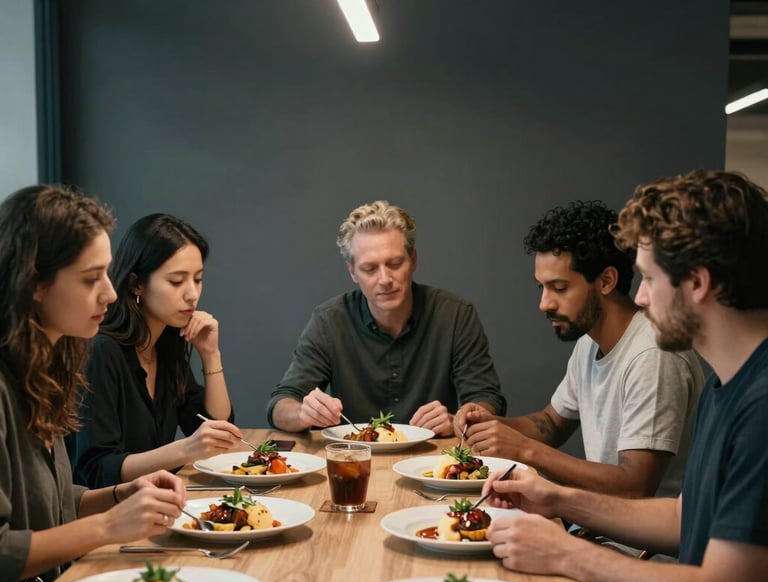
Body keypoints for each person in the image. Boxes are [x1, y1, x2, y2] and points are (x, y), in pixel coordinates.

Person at [484, 170, 768, 582]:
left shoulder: (762, 406)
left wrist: (567, 553)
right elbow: (686, 516)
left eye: (649, 279)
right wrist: (556, 498)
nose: (638, 297)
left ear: (698, 283)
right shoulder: (730, 381)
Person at [0, 185, 186, 582]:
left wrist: (121, 495)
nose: (110, 293)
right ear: (34, 283)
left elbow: (52, 503)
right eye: (90, 279)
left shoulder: (46, 366)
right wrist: (108, 527)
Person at [455, 200, 704, 500]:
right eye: (542, 288)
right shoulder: (589, 342)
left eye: (559, 288)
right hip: (593, 519)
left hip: (633, 532)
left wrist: (524, 450)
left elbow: (634, 486)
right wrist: (489, 425)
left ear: (606, 281)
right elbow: (551, 424)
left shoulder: (654, 355)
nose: (544, 304)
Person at [267, 200, 506, 436]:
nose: (384, 280)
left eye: (395, 263)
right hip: (353, 454)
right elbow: (281, 403)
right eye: (369, 269)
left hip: (435, 455)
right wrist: (303, 413)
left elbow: (486, 399)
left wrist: (457, 420)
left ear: (413, 260)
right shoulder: (329, 321)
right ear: (352, 272)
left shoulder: (454, 314)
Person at [67, 213, 242, 488]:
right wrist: (185, 449)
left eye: (197, 279)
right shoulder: (101, 351)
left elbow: (216, 430)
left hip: (154, 501)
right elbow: (96, 469)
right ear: (137, 284)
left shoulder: (166, 343)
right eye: (176, 281)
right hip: (110, 509)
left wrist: (211, 355)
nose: (192, 294)